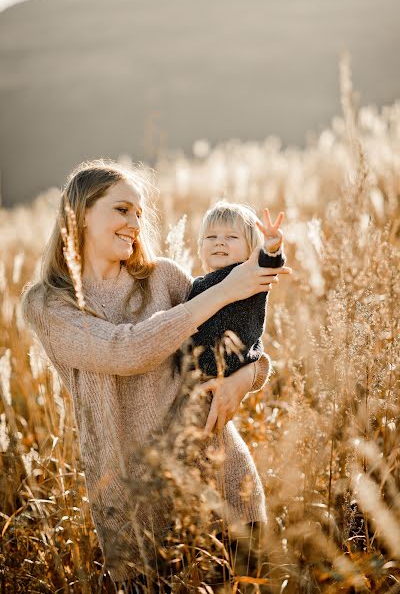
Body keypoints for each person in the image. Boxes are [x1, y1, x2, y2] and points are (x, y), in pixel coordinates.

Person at [21, 159, 292, 588]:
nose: (135, 222)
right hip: (135, 508)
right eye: (122, 209)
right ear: (80, 215)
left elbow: (245, 346)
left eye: (139, 213)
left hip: (223, 482)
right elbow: (125, 349)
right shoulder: (49, 304)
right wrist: (225, 289)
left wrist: (243, 381)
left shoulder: (164, 278)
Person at [178, 201, 285, 435]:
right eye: (211, 236)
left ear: (251, 251)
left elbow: (268, 263)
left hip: (228, 370)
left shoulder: (249, 275)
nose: (219, 242)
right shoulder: (198, 284)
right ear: (200, 248)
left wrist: (271, 248)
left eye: (231, 237)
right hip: (197, 379)